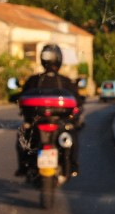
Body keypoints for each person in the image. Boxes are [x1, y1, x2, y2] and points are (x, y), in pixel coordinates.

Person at [14, 44, 82, 177]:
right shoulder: (66, 81)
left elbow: (21, 97)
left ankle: (23, 166)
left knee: (22, 137)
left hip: (36, 122)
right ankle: (72, 167)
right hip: (60, 123)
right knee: (71, 135)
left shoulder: (33, 80)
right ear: (59, 59)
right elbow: (77, 100)